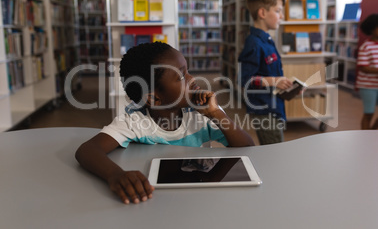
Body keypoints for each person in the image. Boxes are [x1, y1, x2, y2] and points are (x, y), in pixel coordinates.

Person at [75, 42, 255, 204]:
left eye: (188, 70)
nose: (192, 79)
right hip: (155, 198)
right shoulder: (136, 120)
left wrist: (215, 113)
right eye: (182, 76)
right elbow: (88, 150)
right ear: (154, 98)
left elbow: (246, 145)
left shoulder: (203, 112)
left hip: (199, 195)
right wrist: (115, 175)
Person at [238, 0, 293, 145]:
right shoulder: (253, 43)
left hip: (275, 105)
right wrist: (274, 81)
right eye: (278, 11)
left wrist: (288, 86)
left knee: (275, 146)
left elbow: (268, 73)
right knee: (274, 150)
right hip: (264, 109)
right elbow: (245, 79)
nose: (281, 16)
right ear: (262, 13)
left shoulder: (267, 40)